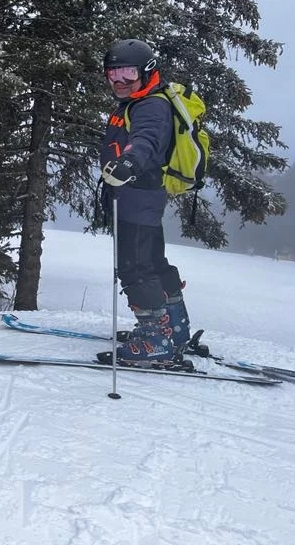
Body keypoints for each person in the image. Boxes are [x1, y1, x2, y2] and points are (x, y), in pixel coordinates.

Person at [98, 38, 192, 363]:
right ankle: (175, 329)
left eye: (127, 73)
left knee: (134, 267)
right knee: (152, 261)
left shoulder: (151, 105)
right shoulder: (137, 101)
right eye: (113, 74)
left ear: (147, 71)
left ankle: (156, 338)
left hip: (138, 193)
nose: (119, 82)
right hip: (141, 195)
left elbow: (147, 139)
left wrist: (128, 163)